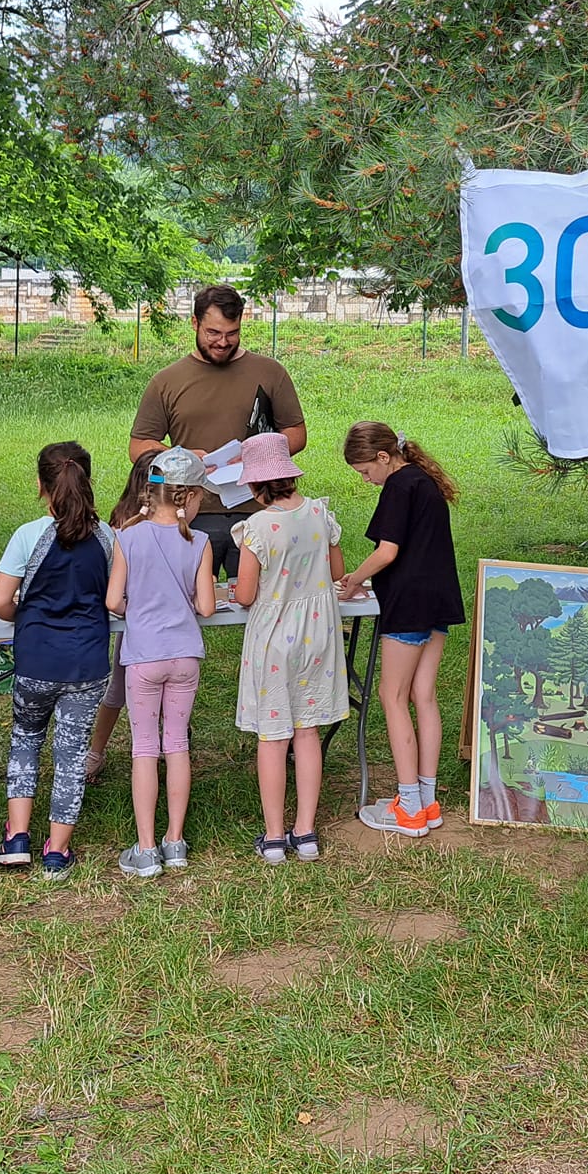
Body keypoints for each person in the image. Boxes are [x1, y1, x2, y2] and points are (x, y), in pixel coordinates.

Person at [0, 442, 116, 879]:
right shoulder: (108, 538)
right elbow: (116, 600)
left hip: (36, 659)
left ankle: (17, 836)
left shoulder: (29, 535)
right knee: (72, 753)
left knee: (26, 739)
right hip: (87, 663)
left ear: (41, 485)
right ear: (89, 480)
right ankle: (57, 850)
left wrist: (21, 616)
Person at [129, 283, 306, 579]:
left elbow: (297, 434)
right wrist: (182, 456)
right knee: (187, 606)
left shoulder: (270, 372)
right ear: (195, 323)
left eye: (232, 333)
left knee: (264, 605)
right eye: (213, 333)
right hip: (190, 513)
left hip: (261, 511)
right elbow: (138, 448)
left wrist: (253, 454)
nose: (223, 342)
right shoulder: (167, 381)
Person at [339, 422, 464, 837]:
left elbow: (387, 551)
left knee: (391, 696)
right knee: (423, 696)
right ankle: (427, 801)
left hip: (408, 605)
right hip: (439, 599)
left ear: (382, 457)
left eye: (364, 471)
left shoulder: (398, 485)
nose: (366, 479)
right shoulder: (424, 480)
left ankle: (408, 805)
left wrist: (355, 578)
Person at [233, 432, 346, 864]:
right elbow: (337, 571)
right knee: (308, 730)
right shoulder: (319, 513)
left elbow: (245, 595)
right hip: (318, 635)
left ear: (255, 484)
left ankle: (275, 836)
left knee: (273, 735)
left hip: (274, 637)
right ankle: (307, 832)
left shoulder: (257, 528)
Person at [105, 447, 216, 877]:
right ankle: (176, 841)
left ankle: (147, 847)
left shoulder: (128, 538)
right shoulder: (200, 541)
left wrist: (135, 606)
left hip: (144, 657)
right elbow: (206, 607)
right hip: (185, 654)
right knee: (178, 745)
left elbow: (114, 600)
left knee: (145, 749)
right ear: (187, 496)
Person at [85, 450, 160, 782]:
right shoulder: (123, 524)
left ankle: (166, 749)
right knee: (118, 688)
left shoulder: (176, 524)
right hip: (134, 621)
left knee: (166, 691)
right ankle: (96, 752)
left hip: (156, 620)